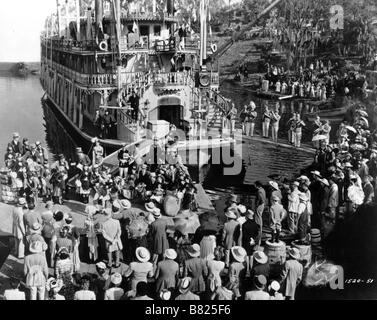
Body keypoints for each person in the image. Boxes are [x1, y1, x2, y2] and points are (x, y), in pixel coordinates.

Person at [241, 209, 259, 277]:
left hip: (246, 241)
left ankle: (247, 269)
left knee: (247, 255)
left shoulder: (244, 225)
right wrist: (253, 239)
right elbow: (257, 233)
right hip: (252, 241)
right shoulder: (255, 224)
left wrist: (248, 239)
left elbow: (244, 235)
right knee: (251, 255)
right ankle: (251, 269)